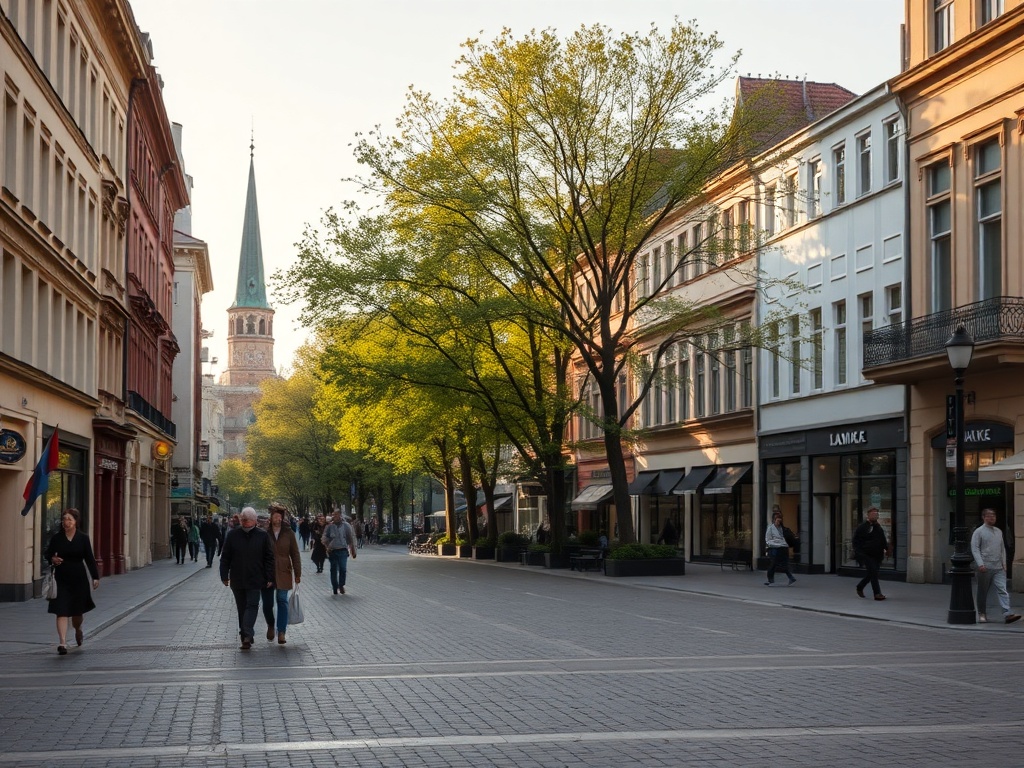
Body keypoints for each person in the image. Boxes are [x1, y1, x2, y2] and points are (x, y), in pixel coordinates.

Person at [44, 508, 100, 655]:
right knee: (61, 611)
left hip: (78, 578)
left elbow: (89, 558)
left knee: (77, 612)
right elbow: (48, 553)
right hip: (61, 578)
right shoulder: (57, 538)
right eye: (64, 519)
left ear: (76, 521)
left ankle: (77, 629)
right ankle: (62, 643)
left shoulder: (83, 538)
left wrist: (95, 577)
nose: (66, 522)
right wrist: (53, 559)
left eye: (69, 519)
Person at [219, 507, 275, 650]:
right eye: (243, 520)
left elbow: (269, 557)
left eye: (248, 520)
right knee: (242, 608)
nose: (245, 522)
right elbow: (225, 557)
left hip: (256, 578)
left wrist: (269, 576)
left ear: (255, 521)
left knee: (252, 605)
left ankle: (246, 635)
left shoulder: (262, 535)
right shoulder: (233, 535)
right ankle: (246, 635)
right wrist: (224, 575)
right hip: (237, 579)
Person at [970, 508, 1021, 624]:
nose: (992, 517)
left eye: (993, 515)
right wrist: (980, 564)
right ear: (983, 517)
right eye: (989, 516)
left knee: (1002, 589)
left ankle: (1007, 613)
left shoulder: (998, 531)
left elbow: (1002, 548)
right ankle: (982, 613)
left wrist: (1004, 564)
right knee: (982, 591)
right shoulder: (978, 531)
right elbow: (975, 548)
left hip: (999, 567)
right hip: (985, 567)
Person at [261, 503, 303, 644]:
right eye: (275, 516)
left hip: (284, 570)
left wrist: (298, 573)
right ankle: (271, 625)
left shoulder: (288, 533)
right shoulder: (265, 533)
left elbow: (295, 554)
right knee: (267, 603)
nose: (278, 519)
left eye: (280, 517)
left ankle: (281, 631)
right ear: (271, 518)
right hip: (267, 571)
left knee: (282, 600)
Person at [852, 506, 890, 600]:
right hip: (866, 554)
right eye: (873, 513)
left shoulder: (878, 527)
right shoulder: (863, 527)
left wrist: (886, 549)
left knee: (873, 573)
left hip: (877, 554)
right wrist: (859, 552)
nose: (875, 515)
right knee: (873, 572)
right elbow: (856, 541)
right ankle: (877, 594)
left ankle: (860, 587)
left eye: (876, 513)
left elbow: (882, 539)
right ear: (868, 515)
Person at [322, 509, 357, 595]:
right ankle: (335, 586)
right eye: (333, 514)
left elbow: (350, 538)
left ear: (340, 515)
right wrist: (327, 544)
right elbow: (324, 537)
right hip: (333, 550)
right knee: (333, 569)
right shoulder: (329, 526)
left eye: (336, 514)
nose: (334, 516)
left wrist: (353, 550)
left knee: (343, 569)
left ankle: (341, 585)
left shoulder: (346, 526)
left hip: (343, 550)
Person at [764, 509, 796, 586]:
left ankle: (791, 578)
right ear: (774, 520)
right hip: (774, 548)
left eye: (780, 521)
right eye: (777, 521)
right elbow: (768, 539)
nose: (778, 523)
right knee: (773, 564)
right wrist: (775, 543)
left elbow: (785, 537)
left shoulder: (783, 529)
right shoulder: (770, 528)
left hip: (783, 548)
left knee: (783, 564)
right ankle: (771, 580)